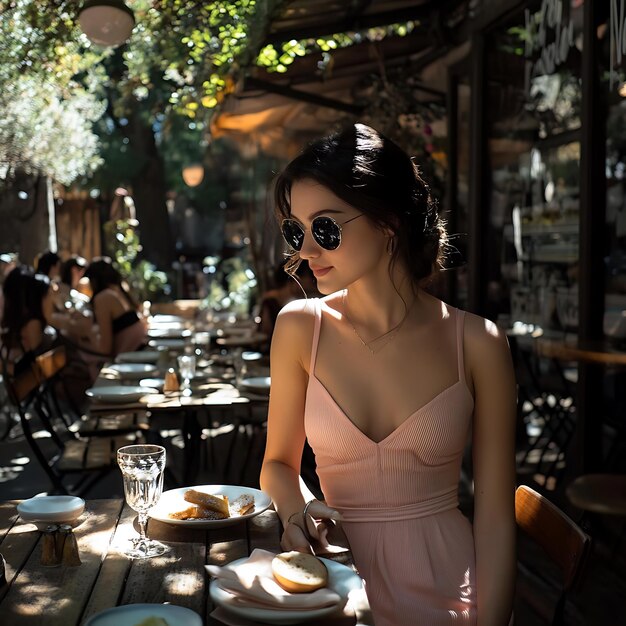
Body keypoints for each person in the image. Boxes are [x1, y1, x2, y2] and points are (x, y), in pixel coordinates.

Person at [260, 124, 516, 626]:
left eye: (326, 229)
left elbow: (495, 520)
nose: (306, 251)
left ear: (388, 222)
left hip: (450, 593)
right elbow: (278, 465)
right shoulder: (299, 327)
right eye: (295, 231)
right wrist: (300, 514)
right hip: (334, 588)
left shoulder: (478, 343)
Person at [80, 257, 147, 359]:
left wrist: (87, 331)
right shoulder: (120, 290)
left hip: (131, 357)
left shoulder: (104, 297)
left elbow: (105, 349)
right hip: (140, 350)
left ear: (94, 280)